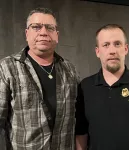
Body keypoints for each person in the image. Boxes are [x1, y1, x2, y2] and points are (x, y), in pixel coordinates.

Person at [0, 7, 79, 150]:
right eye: (36, 27)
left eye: (49, 28)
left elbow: (79, 118)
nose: (43, 32)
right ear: (26, 33)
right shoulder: (7, 68)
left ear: (57, 35)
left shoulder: (70, 70)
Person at [75, 24, 129, 150]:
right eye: (106, 45)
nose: (112, 51)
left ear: (126, 49)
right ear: (97, 52)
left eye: (117, 44)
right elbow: (81, 132)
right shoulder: (85, 87)